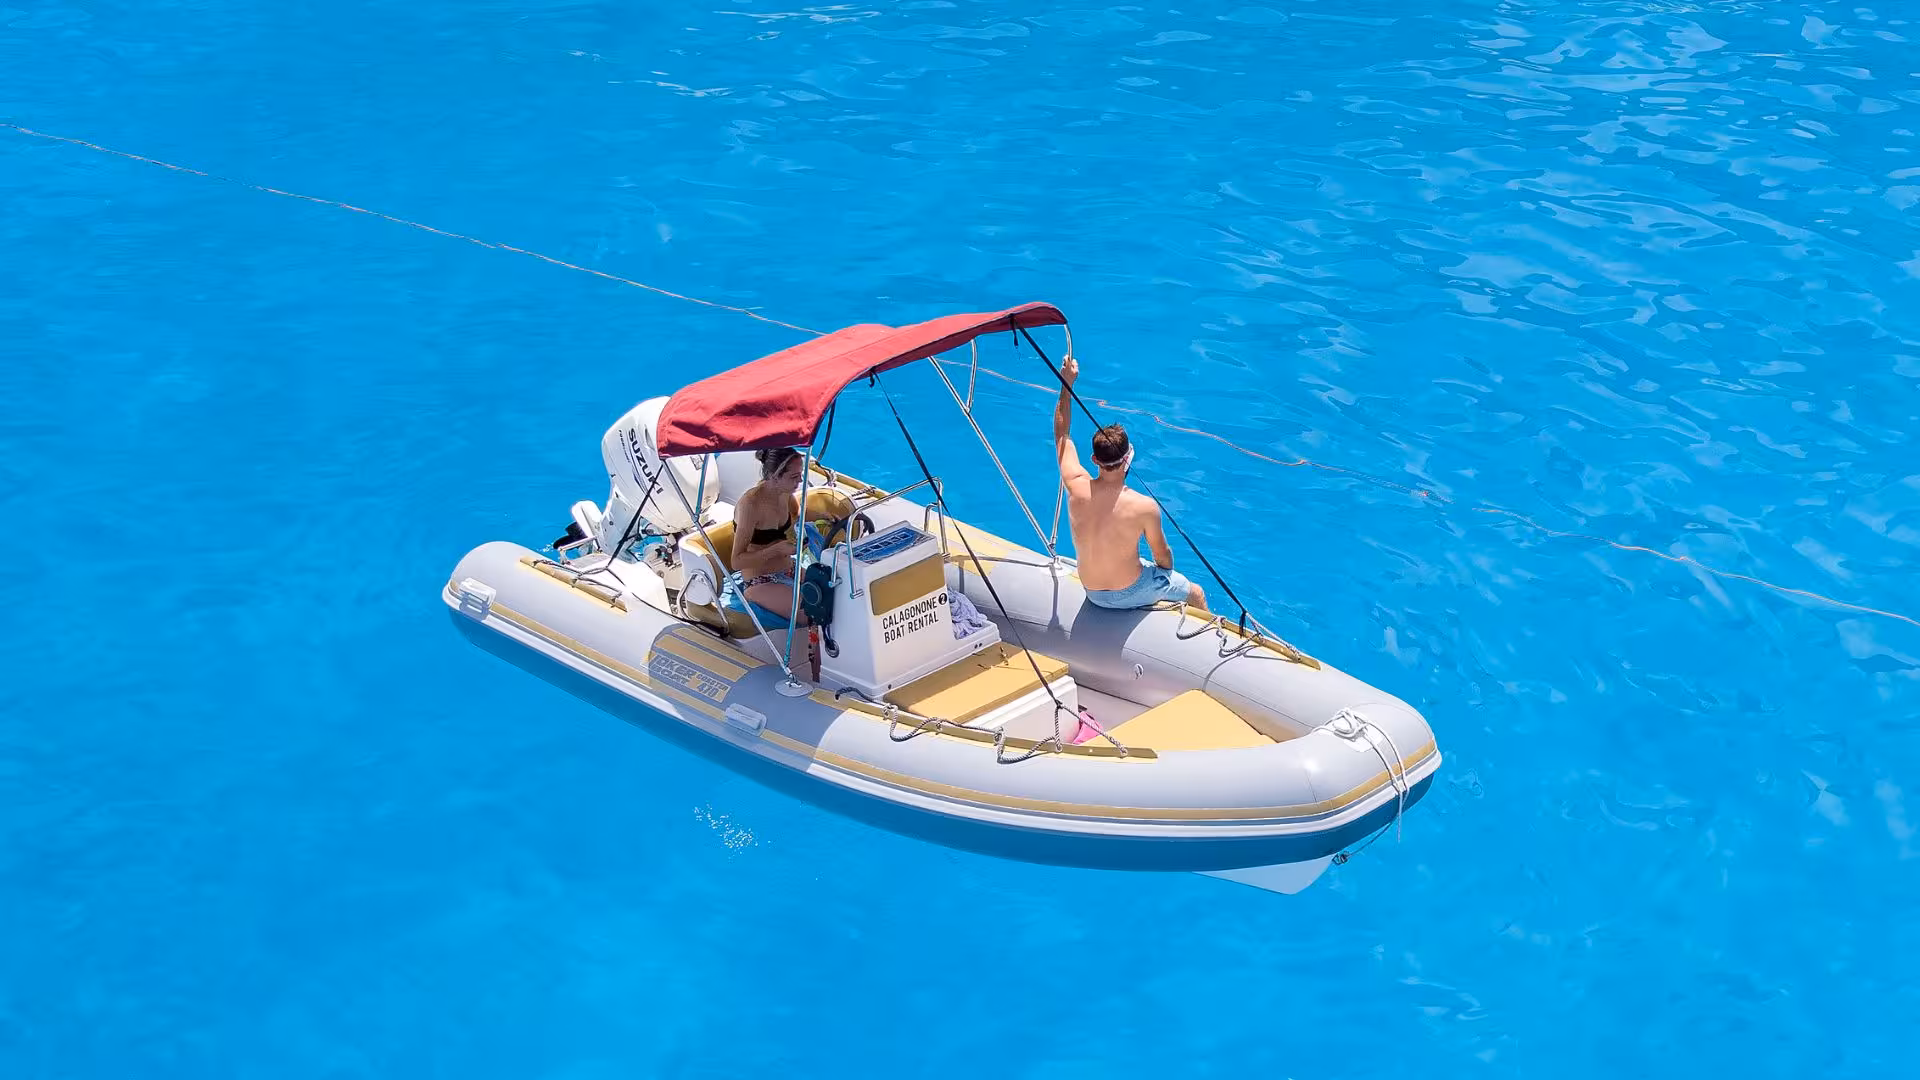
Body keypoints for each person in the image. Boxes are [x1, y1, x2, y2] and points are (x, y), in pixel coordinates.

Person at [1054, 355, 1207, 611]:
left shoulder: (1075, 484)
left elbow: (1062, 434)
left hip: (1090, 590)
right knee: (1196, 592)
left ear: (1094, 459)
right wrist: (1164, 572)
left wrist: (1066, 383)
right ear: (1128, 458)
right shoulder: (1143, 506)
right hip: (1128, 591)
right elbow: (1163, 557)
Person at [722, 446, 819, 676]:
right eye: (794, 477)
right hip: (759, 581)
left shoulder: (785, 495)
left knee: (830, 596)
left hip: (789, 569)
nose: (799, 481)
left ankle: (829, 667)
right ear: (775, 477)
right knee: (814, 613)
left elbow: (798, 518)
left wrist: (823, 520)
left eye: (800, 475)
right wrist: (776, 550)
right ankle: (815, 675)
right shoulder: (750, 505)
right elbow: (736, 561)